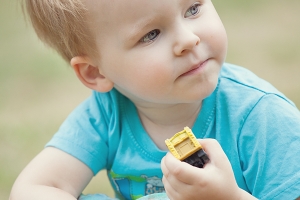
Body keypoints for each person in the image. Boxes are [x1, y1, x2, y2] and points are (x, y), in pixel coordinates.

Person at [10, 0, 300, 200]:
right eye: (151, 34)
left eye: (193, 8)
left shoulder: (262, 117)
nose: (189, 39)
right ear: (96, 73)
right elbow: (34, 188)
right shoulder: (109, 112)